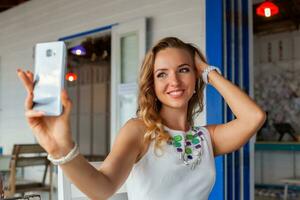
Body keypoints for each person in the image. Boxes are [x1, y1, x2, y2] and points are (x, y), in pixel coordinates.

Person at [17, 37, 266, 200]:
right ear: (152, 84)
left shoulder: (206, 138)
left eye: (184, 70)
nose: (174, 82)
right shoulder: (139, 131)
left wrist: (207, 72)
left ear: (195, 78)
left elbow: (254, 117)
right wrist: (61, 149)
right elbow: (102, 188)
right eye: (162, 74)